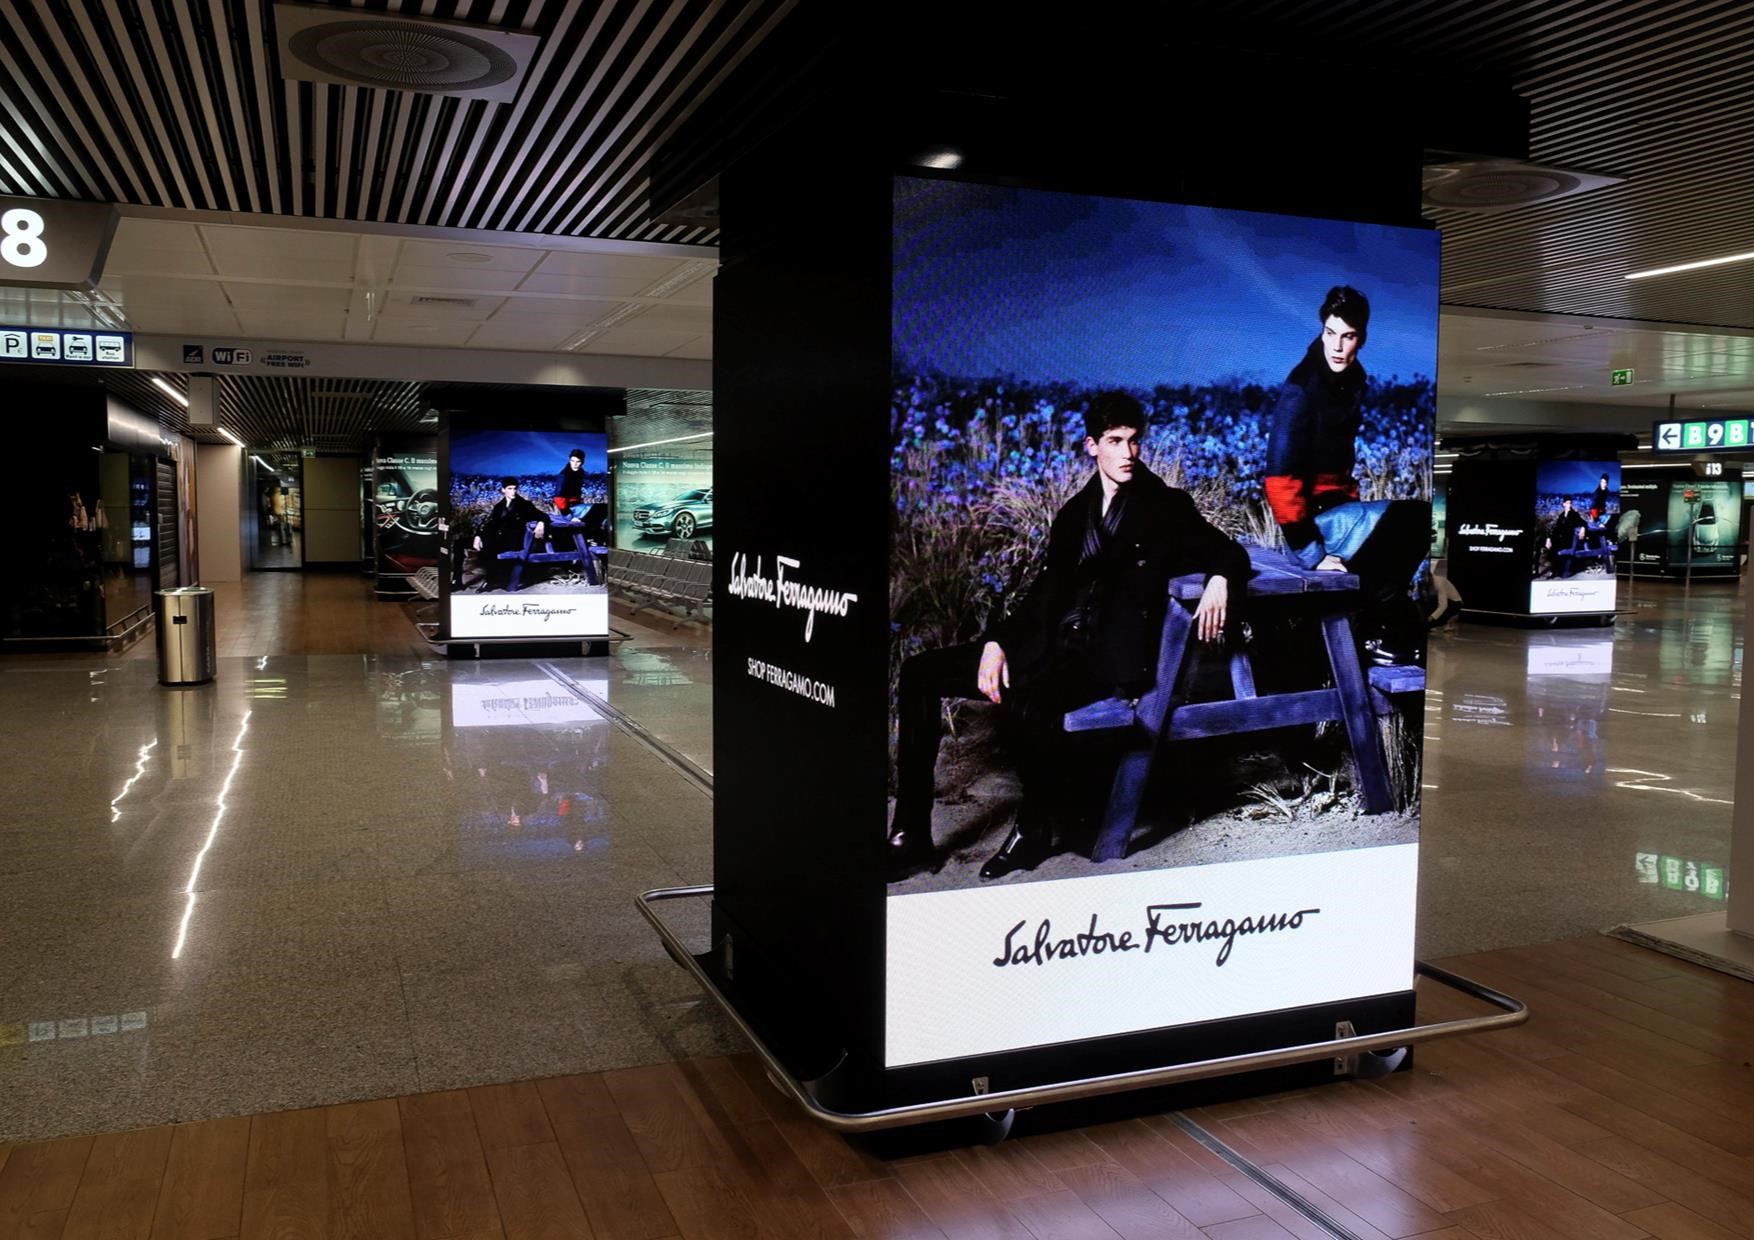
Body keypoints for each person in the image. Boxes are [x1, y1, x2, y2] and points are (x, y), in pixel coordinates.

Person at [888, 392, 1249, 883]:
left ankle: (1032, 829)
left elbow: (1227, 551)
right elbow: (1042, 597)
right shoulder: (1074, 513)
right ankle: (911, 836)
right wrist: (998, 642)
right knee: (919, 674)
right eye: (1116, 441)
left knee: (1031, 699)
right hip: (1045, 643)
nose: (1128, 453)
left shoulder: (1165, 506)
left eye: (1135, 441)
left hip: (1101, 660)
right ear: (1091, 446)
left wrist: (1220, 580)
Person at [1264, 285, 1430, 665]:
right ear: (1322, 330)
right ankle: (1377, 630)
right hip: (1312, 527)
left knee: (1410, 527)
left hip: (1340, 513)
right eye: (1330, 334)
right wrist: (1313, 555)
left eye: (1348, 337)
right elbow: (1278, 481)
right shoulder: (1301, 389)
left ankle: (1377, 630)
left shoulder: (1352, 379)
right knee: (1418, 519)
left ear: (1362, 339)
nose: (1337, 346)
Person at [472, 478, 546, 591]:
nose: (513, 491)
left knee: (489, 547)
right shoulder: (499, 506)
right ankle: (457, 582)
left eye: (515, 488)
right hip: (497, 536)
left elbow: (542, 515)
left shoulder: (524, 504)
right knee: (461, 543)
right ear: (503, 490)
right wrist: (478, 536)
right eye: (510, 488)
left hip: (514, 540)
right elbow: (490, 524)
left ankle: (491, 580)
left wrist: (541, 523)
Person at [1545, 497, 1588, 575]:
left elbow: (1583, 522)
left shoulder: (1574, 514)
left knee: (1555, 548)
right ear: (1564, 504)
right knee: (1546, 544)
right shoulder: (1561, 515)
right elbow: (1556, 529)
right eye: (1567, 503)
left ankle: (1556, 570)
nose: (1569, 505)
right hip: (1560, 538)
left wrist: (1583, 528)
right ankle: (1551, 569)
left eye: (1570, 503)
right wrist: (1549, 538)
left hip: (1569, 540)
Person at [554, 450, 588, 515]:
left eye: (578, 461)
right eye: (572, 461)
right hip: (568, 507)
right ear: (569, 460)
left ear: (582, 462)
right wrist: (565, 512)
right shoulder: (564, 475)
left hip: (577, 504)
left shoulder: (581, 473)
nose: (574, 464)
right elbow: (559, 496)